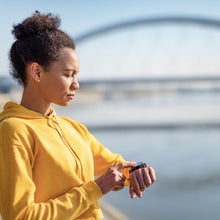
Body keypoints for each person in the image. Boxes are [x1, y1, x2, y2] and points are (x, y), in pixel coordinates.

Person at [0, 11, 156, 220]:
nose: (76, 84)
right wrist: (96, 188)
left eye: (76, 75)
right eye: (67, 74)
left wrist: (137, 171)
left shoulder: (74, 129)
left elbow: (116, 166)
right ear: (37, 72)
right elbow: (21, 216)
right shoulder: (14, 131)